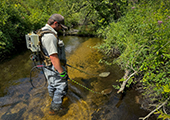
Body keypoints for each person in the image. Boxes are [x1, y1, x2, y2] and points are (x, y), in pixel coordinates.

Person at [40, 14, 69, 115]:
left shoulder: (43, 30)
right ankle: (54, 109)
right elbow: (53, 57)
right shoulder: (50, 36)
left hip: (47, 67)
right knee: (61, 86)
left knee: (52, 84)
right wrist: (62, 72)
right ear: (55, 23)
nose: (61, 29)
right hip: (53, 67)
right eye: (61, 26)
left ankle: (53, 99)